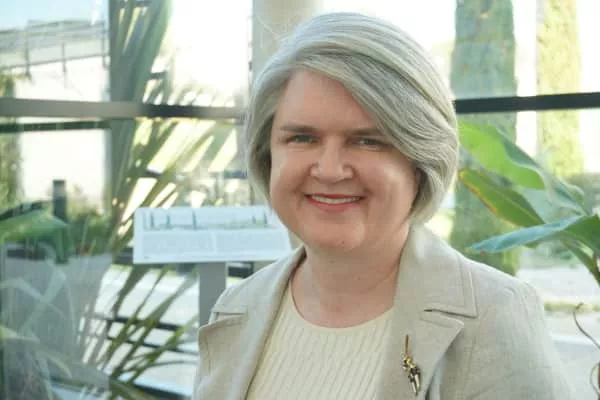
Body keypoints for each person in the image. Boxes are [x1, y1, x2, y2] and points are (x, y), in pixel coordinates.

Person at [192, 12, 573, 399]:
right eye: (302, 138)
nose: (330, 170)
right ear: (267, 155)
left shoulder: (494, 316)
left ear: (420, 163)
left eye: (368, 141)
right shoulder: (236, 310)